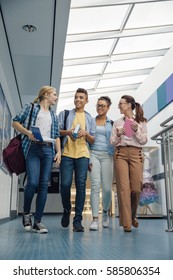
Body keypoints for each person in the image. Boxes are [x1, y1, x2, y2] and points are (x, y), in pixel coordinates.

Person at [12, 86, 61, 233]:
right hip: (32, 148)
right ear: (46, 95)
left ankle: (38, 221)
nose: (56, 97)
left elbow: (56, 135)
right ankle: (26, 213)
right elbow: (15, 122)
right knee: (32, 182)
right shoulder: (30, 107)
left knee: (44, 185)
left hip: (47, 150)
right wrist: (27, 133)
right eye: (54, 94)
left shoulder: (53, 116)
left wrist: (59, 152)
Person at [58, 88, 95, 232]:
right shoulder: (65, 114)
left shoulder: (89, 118)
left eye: (81, 97)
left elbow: (92, 140)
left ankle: (77, 220)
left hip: (83, 155)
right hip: (67, 153)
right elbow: (57, 131)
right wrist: (68, 132)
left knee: (81, 186)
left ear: (86, 100)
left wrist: (85, 133)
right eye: (76, 97)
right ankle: (67, 209)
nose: (78, 99)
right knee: (65, 184)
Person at [110, 95, 148, 232]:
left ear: (129, 105)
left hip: (136, 153)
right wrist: (119, 134)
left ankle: (132, 216)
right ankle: (126, 223)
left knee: (136, 188)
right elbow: (112, 142)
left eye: (121, 103)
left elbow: (144, 141)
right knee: (124, 189)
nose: (119, 106)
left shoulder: (141, 121)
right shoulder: (117, 123)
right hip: (120, 154)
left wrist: (136, 130)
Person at [89, 96, 114, 231]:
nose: (99, 107)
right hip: (93, 154)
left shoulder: (112, 123)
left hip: (107, 156)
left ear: (108, 108)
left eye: (102, 106)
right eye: (98, 105)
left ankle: (105, 211)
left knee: (107, 188)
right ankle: (94, 219)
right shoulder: (91, 121)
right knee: (95, 185)